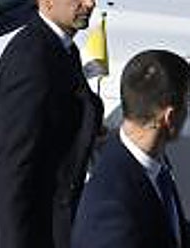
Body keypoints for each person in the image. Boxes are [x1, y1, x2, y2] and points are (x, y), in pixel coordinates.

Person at [0, 0, 104, 248]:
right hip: (38, 229)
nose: (90, 2)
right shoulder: (31, 60)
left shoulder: (61, 46)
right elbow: (13, 167)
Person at [71, 48, 190, 248]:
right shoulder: (112, 212)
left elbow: (170, 230)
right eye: (187, 103)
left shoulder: (154, 164)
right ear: (169, 117)